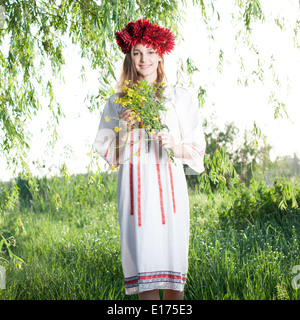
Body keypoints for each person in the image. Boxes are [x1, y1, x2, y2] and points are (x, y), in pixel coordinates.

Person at [94, 18, 206, 300]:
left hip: (170, 193)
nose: (144, 59)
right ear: (129, 57)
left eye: (150, 52)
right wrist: (123, 128)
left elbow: (197, 147)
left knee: (173, 276)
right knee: (145, 273)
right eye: (137, 53)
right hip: (135, 194)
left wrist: (175, 146)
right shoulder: (117, 102)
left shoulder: (178, 98)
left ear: (161, 55)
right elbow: (109, 155)